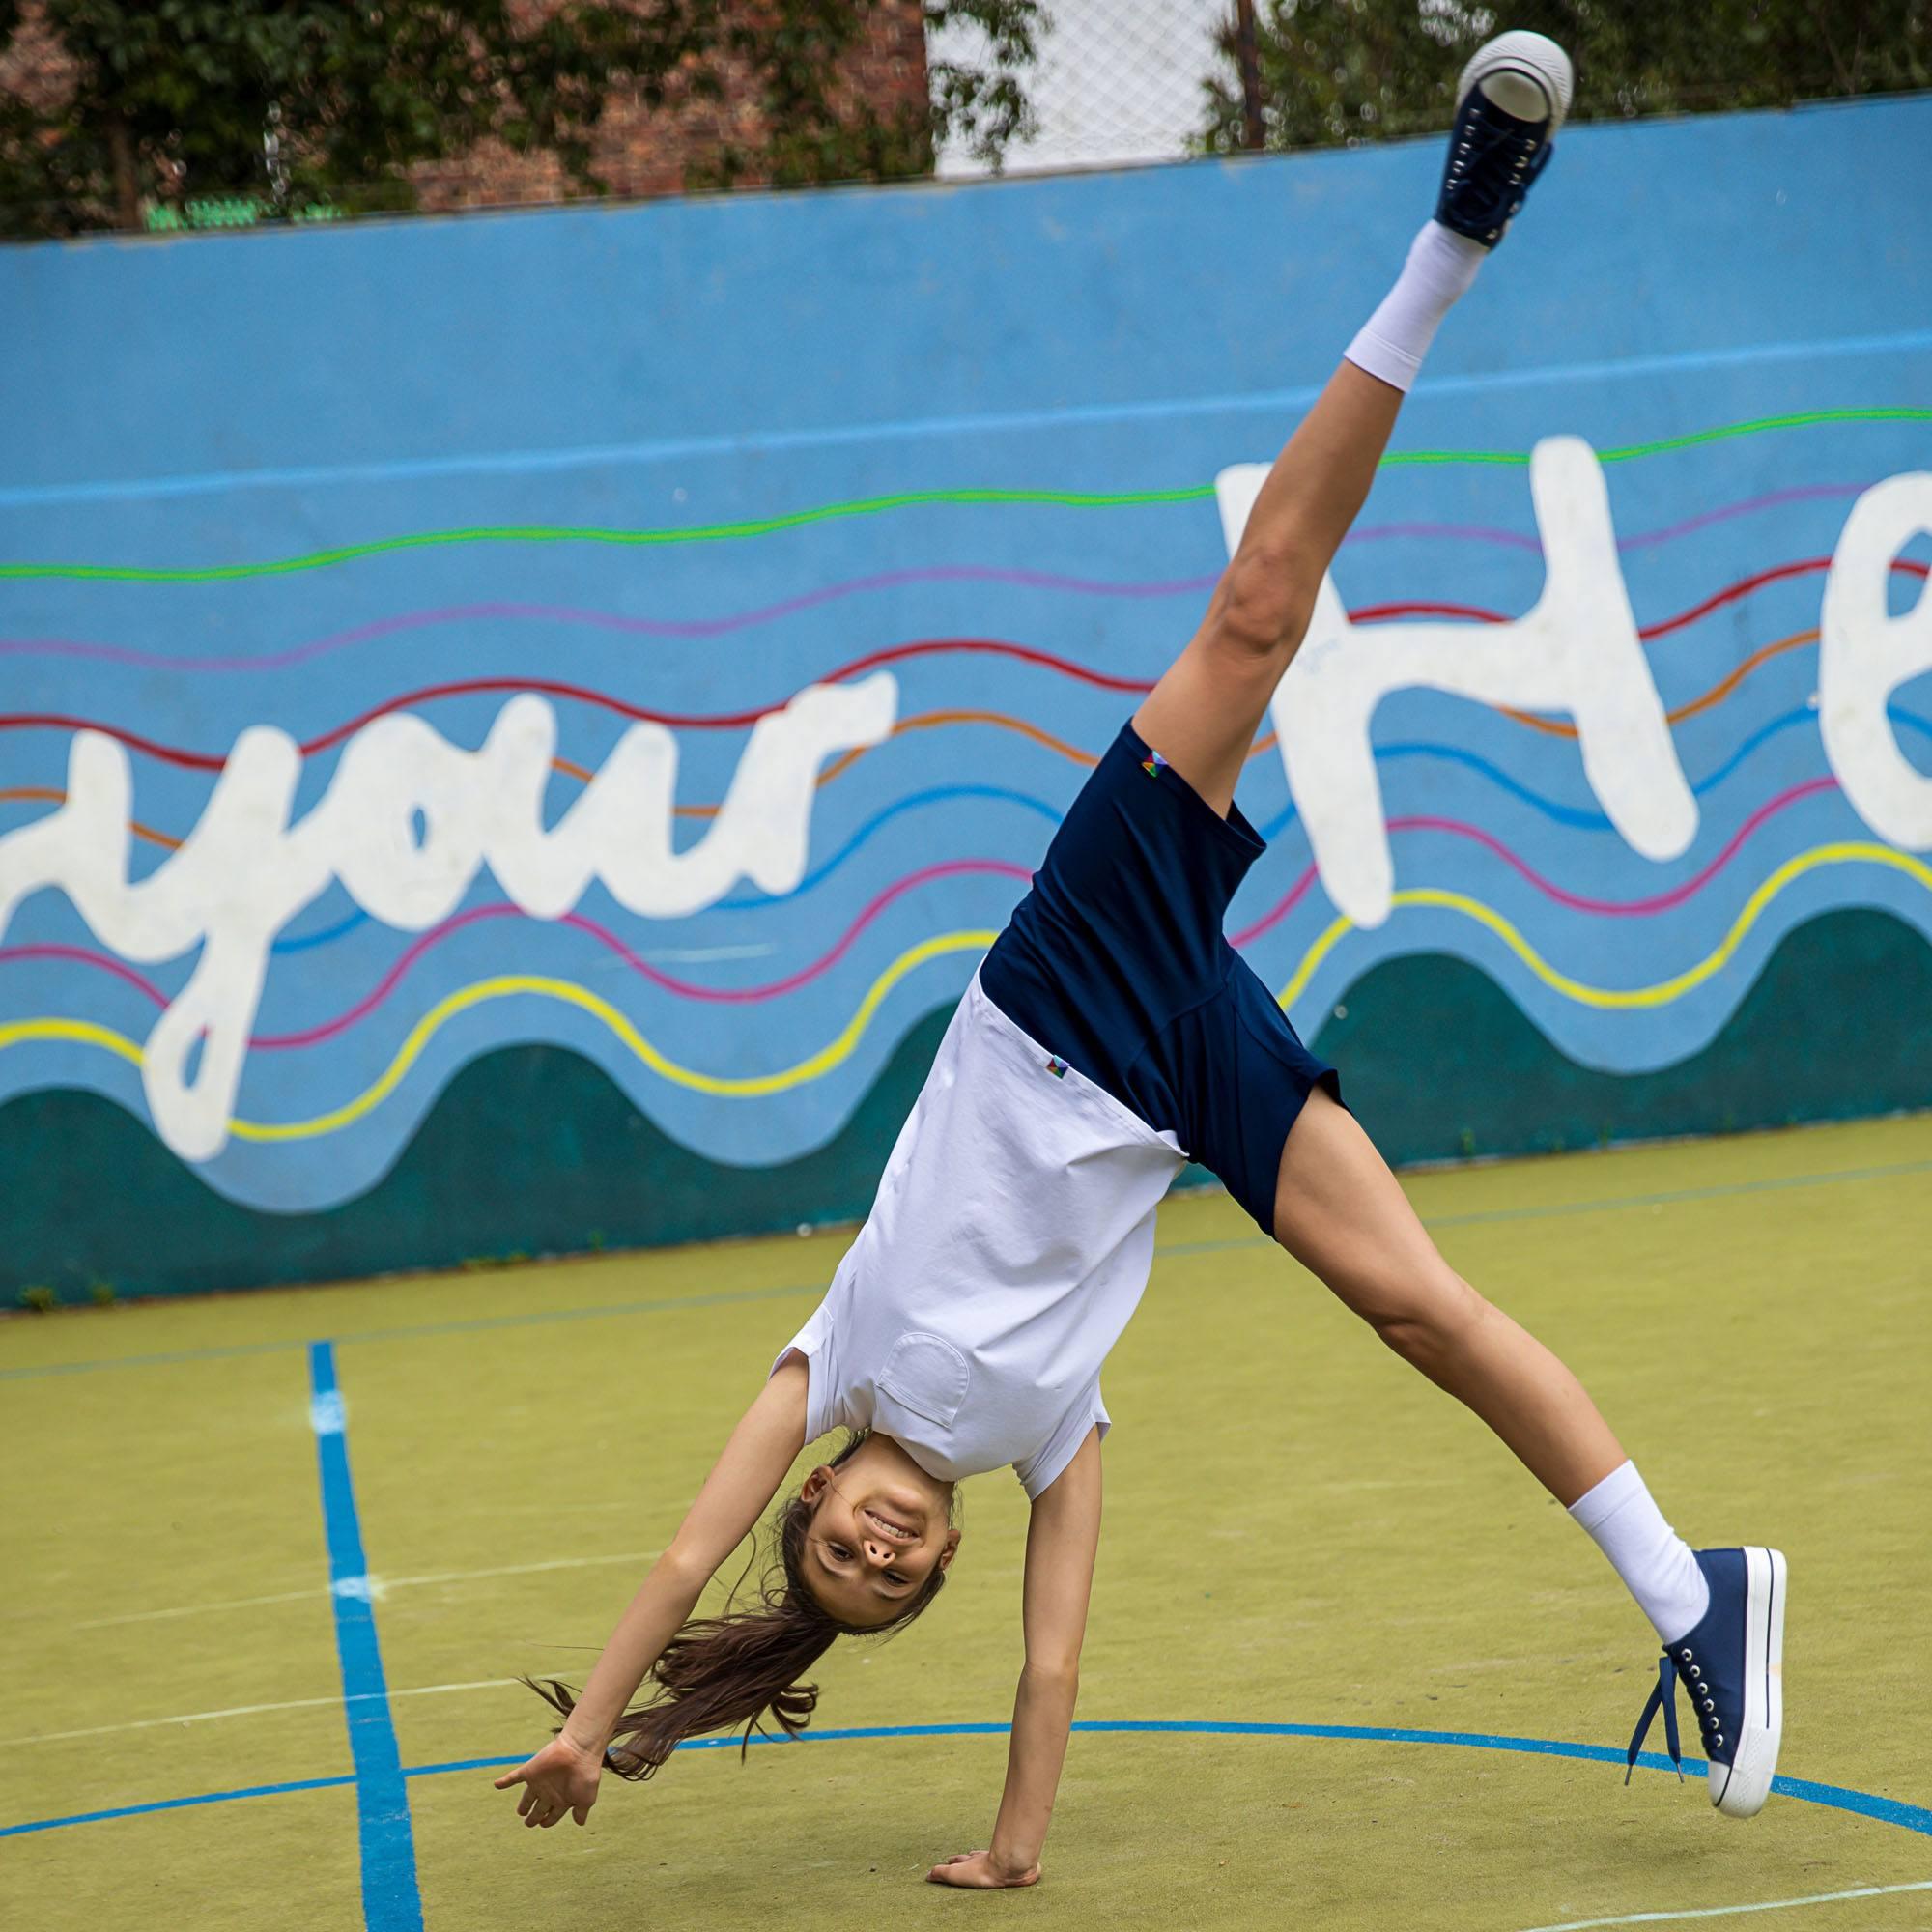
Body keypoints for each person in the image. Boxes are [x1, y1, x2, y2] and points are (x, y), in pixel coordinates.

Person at [495, 30, 1785, 1882]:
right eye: (899, 1577)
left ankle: (1457, 235)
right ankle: (1695, 1591)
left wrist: (588, 1724)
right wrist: (1017, 1842)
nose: (876, 1553)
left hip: (1064, 984)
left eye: (844, 1552)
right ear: (930, 1555)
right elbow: (1057, 1644)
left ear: (822, 1505)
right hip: (1177, 1068)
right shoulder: (1050, 1435)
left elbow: (685, 1553)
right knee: (1422, 1310)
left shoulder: (834, 1359)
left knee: (1256, 617)